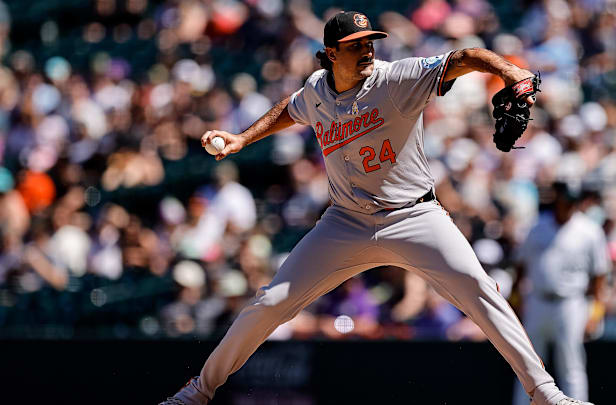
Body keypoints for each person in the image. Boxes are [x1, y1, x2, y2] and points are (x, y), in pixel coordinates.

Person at [161, 11, 593, 405]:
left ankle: (546, 394)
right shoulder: (316, 89)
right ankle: (199, 391)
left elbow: (464, 56)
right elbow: (290, 110)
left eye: (370, 42)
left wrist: (507, 69)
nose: (367, 49)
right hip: (345, 222)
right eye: (355, 44)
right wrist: (242, 138)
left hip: (414, 216)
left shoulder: (396, 78)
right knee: (269, 302)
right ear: (331, 54)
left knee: (481, 292)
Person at [512, 182, 609, 405]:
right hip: (537, 300)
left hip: (571, 303)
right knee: (528, 363)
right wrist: (516, 299)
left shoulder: (590, 231)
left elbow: (599, 275)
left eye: (571, 202)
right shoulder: (537, 227)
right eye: (564, 201)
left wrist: (595, 312)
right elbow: (521, 265)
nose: (567, 206)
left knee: (571, 364)